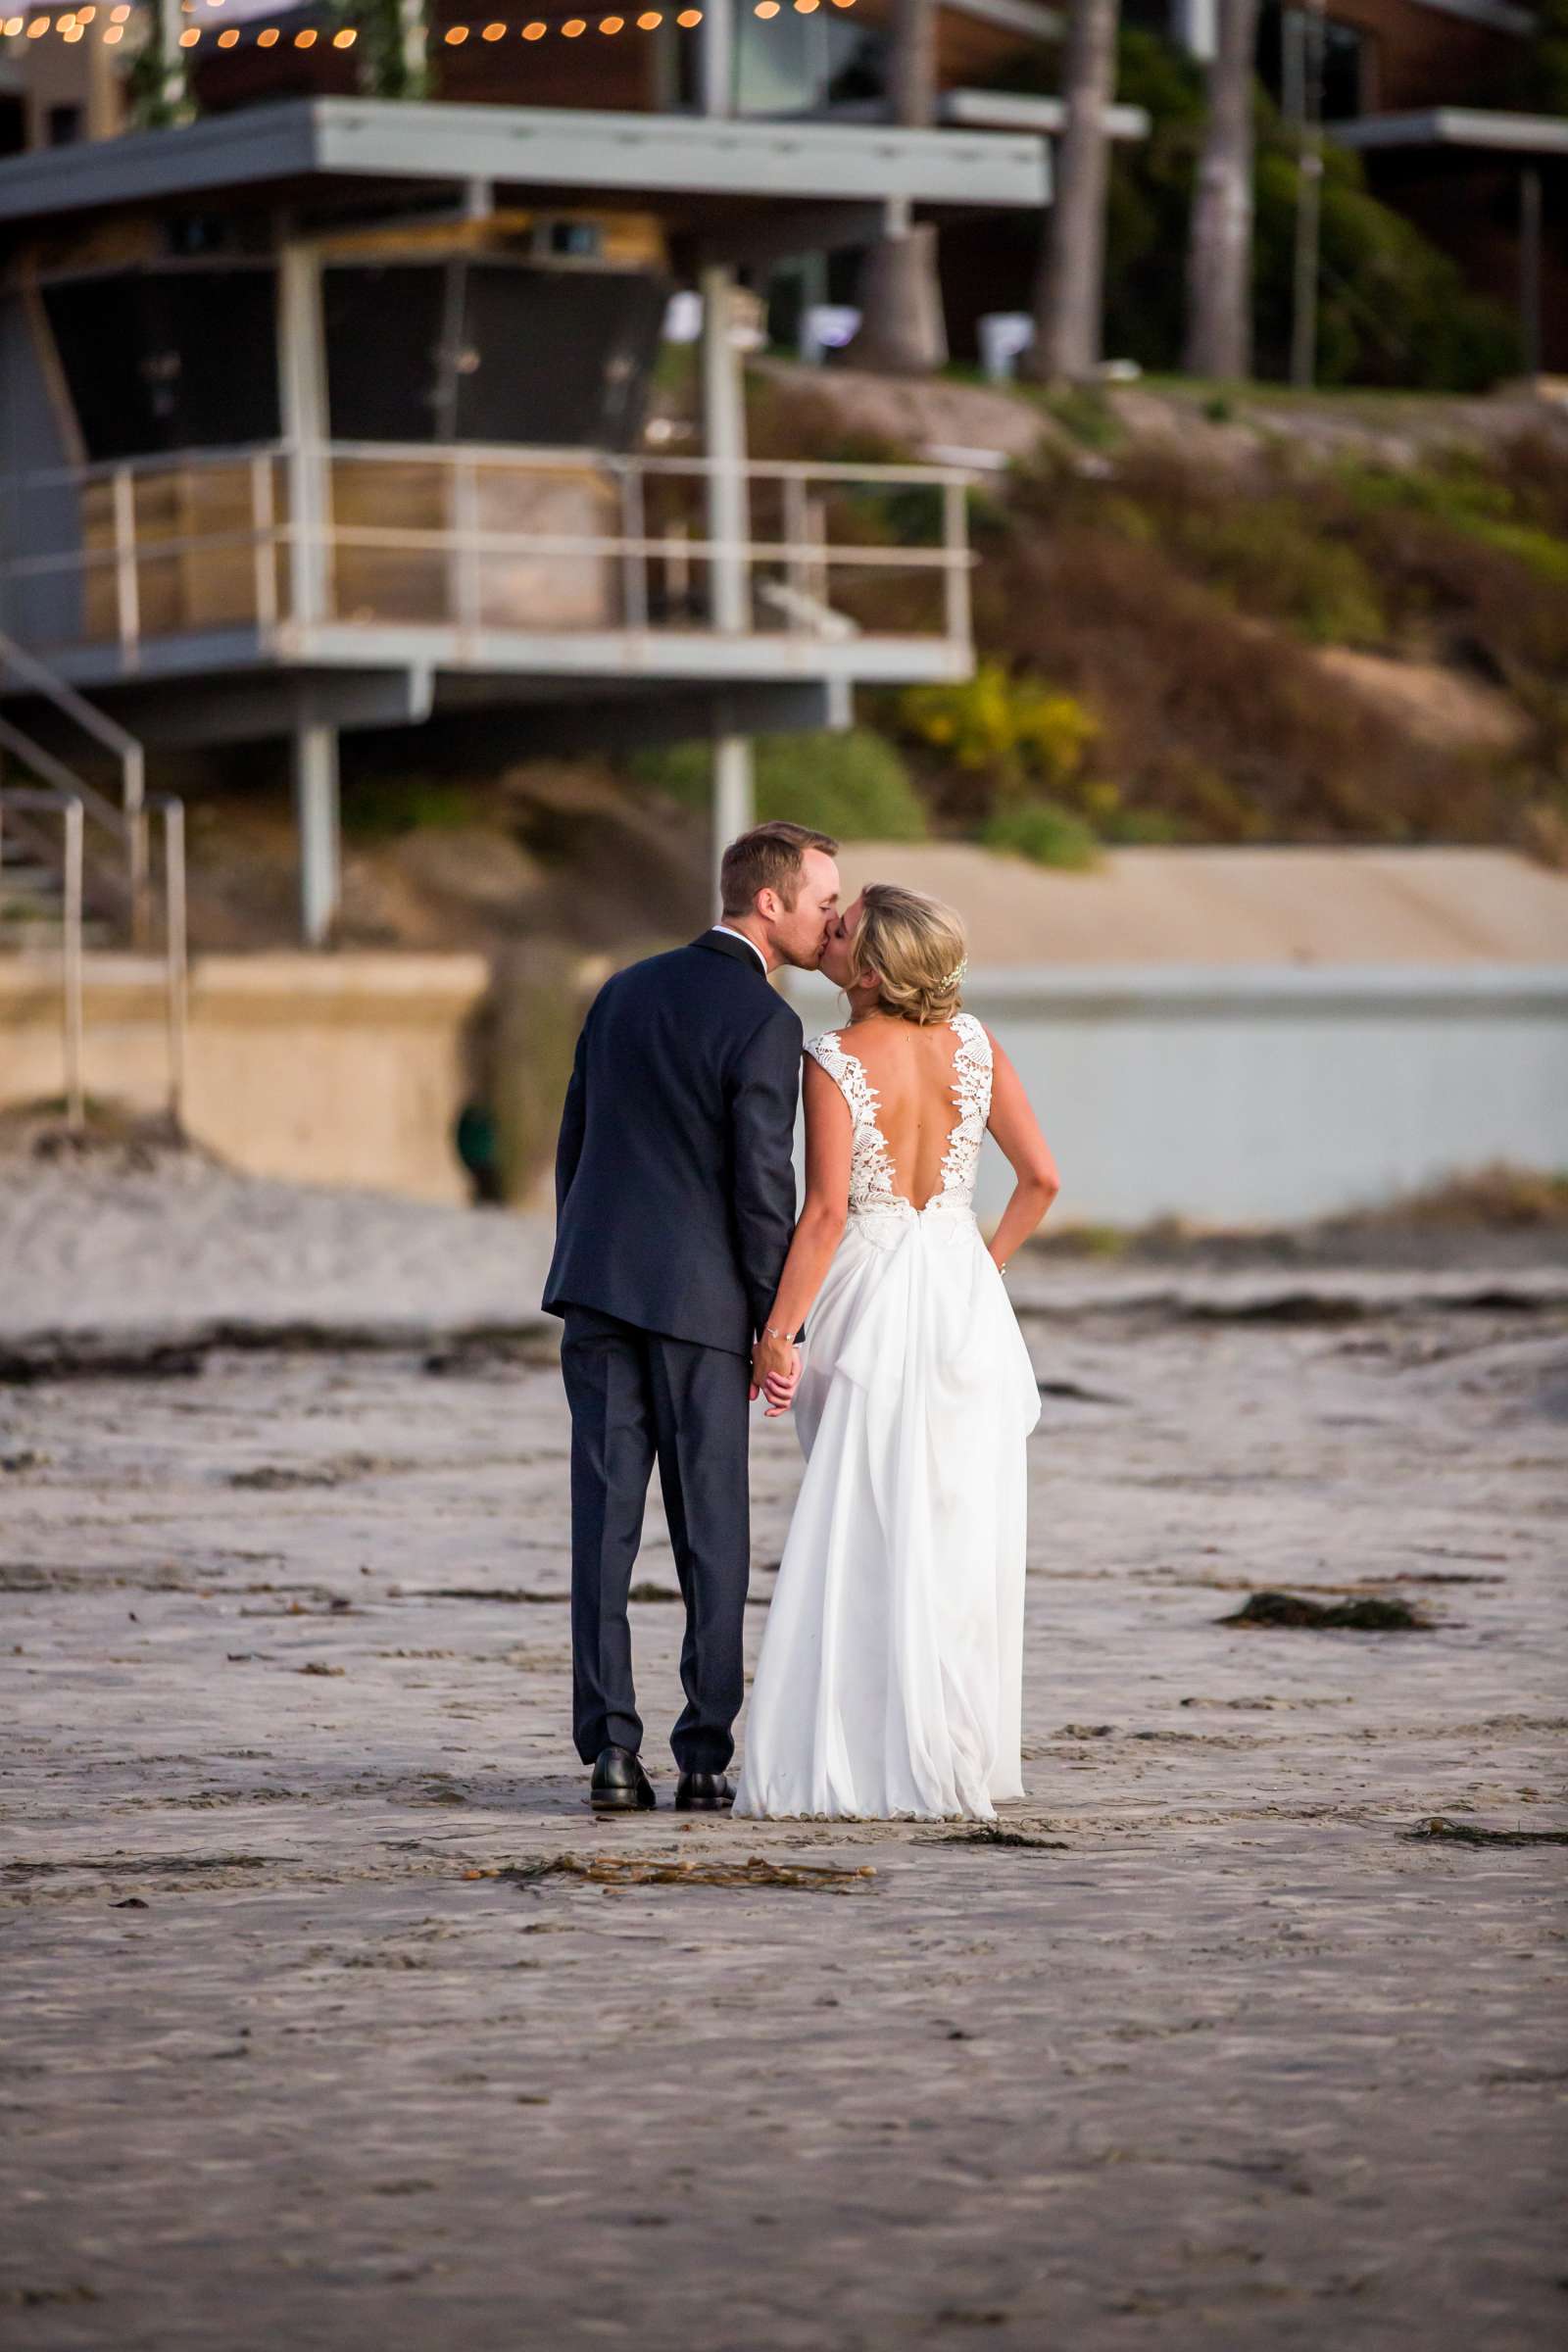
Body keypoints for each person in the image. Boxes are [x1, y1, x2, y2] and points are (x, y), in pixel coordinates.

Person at [733, 883, 1059, 1822]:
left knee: (866, 1515)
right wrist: (983, 1267)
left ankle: (865, 1755)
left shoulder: (831, 1057)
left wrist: (777, 1336)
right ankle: (954, 1750)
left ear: (869, 972)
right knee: (957, 1523)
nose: (828, 941)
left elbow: (828, 1214)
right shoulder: (978, 1045)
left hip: (869, 1295)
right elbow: (1041, 1180)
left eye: (841, 936)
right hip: (961, 1294)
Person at [542, 821, 840, 1814]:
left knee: (604, 1529)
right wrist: (774, 1321)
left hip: (596, 1288)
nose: (830, 918)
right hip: (702, 1307)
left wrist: (581, 1259)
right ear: (770, 903)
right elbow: (762, 1187)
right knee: (710, 1532)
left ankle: (610, 1756)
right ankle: (705, 1754)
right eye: (822, 902)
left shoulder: (621, 989)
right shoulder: (763, 1022)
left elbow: (573, 1143)